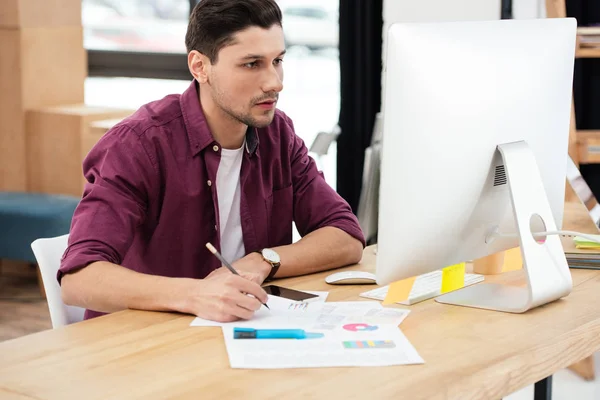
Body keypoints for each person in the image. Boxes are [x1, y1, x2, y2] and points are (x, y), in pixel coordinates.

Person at [59, 0, 365, 323]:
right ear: (200, 67)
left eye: (277, 60)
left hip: (236, 336)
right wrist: (195, 295)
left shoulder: (277, 134)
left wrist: (264, 260)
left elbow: (346, 236)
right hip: (143, 348)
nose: (275, 81)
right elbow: (79, 277)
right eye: (252, 64)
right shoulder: (139, 145)